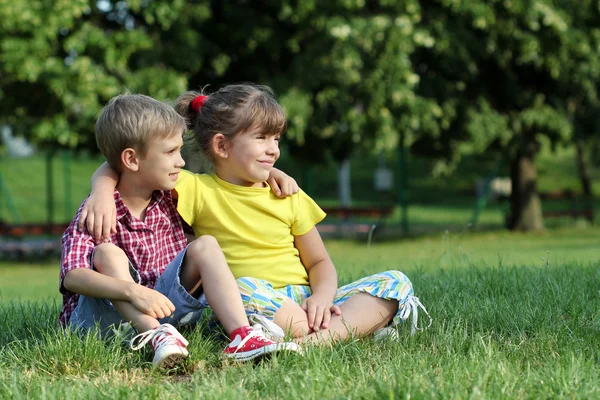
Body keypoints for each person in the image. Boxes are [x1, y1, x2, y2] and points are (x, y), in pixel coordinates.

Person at [85, 84, 431, 344]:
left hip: (305, 302)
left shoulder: (288, 194)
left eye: (277, 138)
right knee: (244, 287)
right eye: (262, 137)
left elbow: (320, 264)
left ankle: (316, 341)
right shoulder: (195, 189)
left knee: (395, 282)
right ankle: (349, 332)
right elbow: (133, 162)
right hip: (250, 303)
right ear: (221, 146)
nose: (274, 149)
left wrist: (322, 300)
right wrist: (101, 189)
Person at [59, 93, 301, 369]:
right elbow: (72, 276)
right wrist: (132, 292)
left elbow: (234, 174)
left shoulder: (170, 197)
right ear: (132, 160)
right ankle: (154, 335)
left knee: (205, 245)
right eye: (170, 152)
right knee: (107, 253)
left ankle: (242, 336)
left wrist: (272, 173)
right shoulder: (97, 210)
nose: (181, 162)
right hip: (103, 321)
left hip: (165, 310)